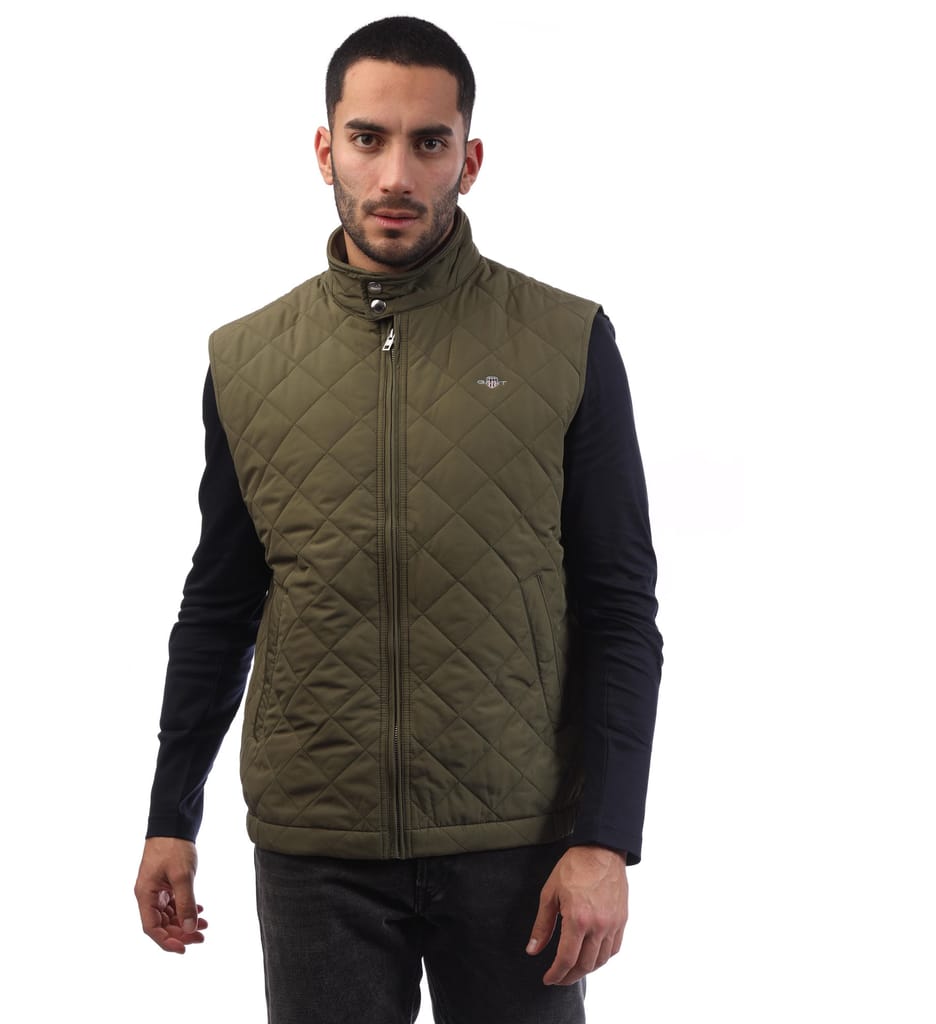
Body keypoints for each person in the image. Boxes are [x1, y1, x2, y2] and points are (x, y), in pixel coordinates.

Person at [134, 16, 662, 1024]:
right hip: (317, 848)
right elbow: (220, 604)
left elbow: (618, 608)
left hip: (515, 842)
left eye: (428, 143)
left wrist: (605, 838)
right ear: (324, 148)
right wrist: (171, 813)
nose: (395, 175)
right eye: (368, 138)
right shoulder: (247, 359)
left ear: (470, 159)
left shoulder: (566, 341)